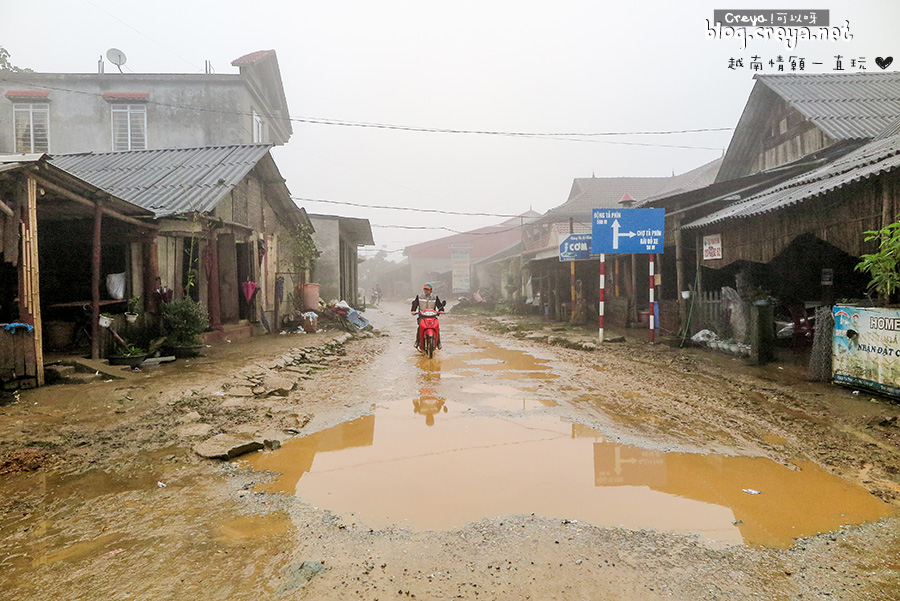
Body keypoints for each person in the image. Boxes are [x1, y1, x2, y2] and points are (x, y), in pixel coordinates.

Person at [411, 283, 444, 348]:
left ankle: (438, 342)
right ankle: (417, 341)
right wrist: (413, 311)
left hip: (432, 316)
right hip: (422, 316)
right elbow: (415, 304)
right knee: (419, 327)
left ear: (431, 290)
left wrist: (441, 310)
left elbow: (439, 305)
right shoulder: (419, 296)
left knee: (437, 327)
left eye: (427, 289)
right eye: (425, 289)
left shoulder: (435, 297)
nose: (426, 291)